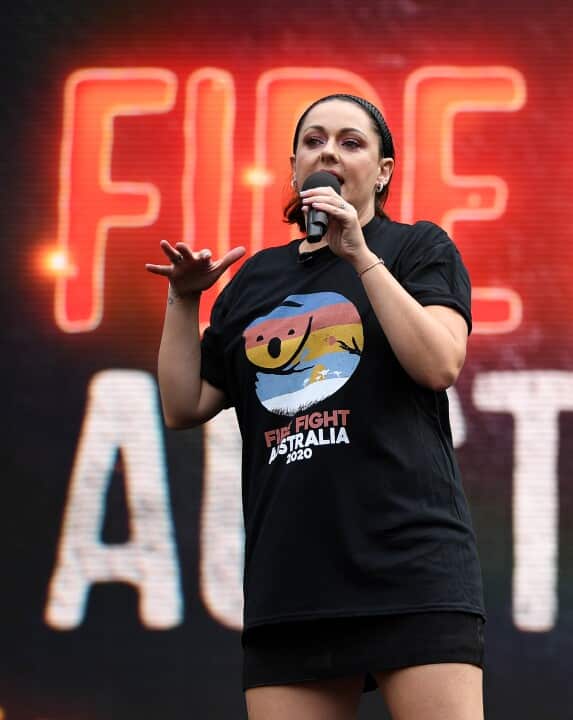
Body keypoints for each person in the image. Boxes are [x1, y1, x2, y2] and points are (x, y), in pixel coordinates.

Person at [146, 94, 484, 720]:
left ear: (382, 171)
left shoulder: (416, 248)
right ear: (295, 167)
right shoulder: (256, 281)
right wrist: (184, 301)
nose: (329, 152)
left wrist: (359, 256)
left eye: (351, 142)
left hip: (408, 564)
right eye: (314, 141)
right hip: (292, 576)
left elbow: (439, 363)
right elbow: (182, 403)